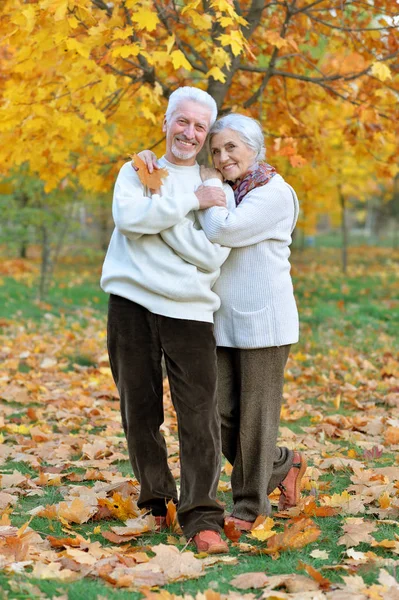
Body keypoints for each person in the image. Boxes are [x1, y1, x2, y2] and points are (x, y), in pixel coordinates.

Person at [140, 113, 306, 530]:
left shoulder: (273, 193)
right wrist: (151, 162)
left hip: (265, 324)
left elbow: (222, 230)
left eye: (231, 147)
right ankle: (283, 463)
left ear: (255, 147)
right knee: (218, 412)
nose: (221, 156)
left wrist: (212, 184)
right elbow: (180, 195)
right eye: (215, 150)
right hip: (221, 319)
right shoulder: (231, 190)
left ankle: (250, 508)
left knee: (255, 419)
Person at [100, 86, 236, 553]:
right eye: (183, 121)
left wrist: (160, 213)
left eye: (200, 126)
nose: (190, 132)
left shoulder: (215, 185)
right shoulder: (137, 169)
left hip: (190, 311)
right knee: (139, 412)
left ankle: (201, 516)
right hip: (130, 305)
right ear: (166, 121)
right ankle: (157, 501)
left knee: (199, 416)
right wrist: (183, 205)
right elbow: (127, 218)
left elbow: (213, 254)